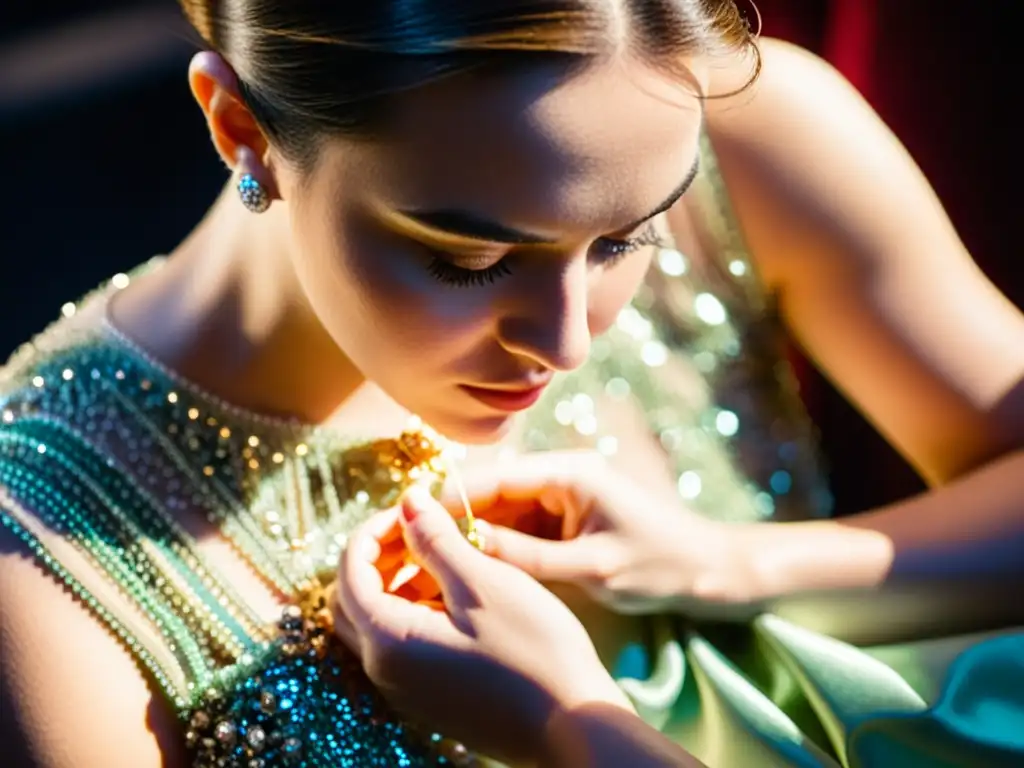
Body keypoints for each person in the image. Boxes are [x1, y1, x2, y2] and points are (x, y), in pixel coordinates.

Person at [0, 0, 1021, 765]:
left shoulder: (749, 138)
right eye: (471, 260)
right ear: (239, 128)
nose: (568, 341)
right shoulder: (43, 576)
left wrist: (738, 563)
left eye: (630, 237)